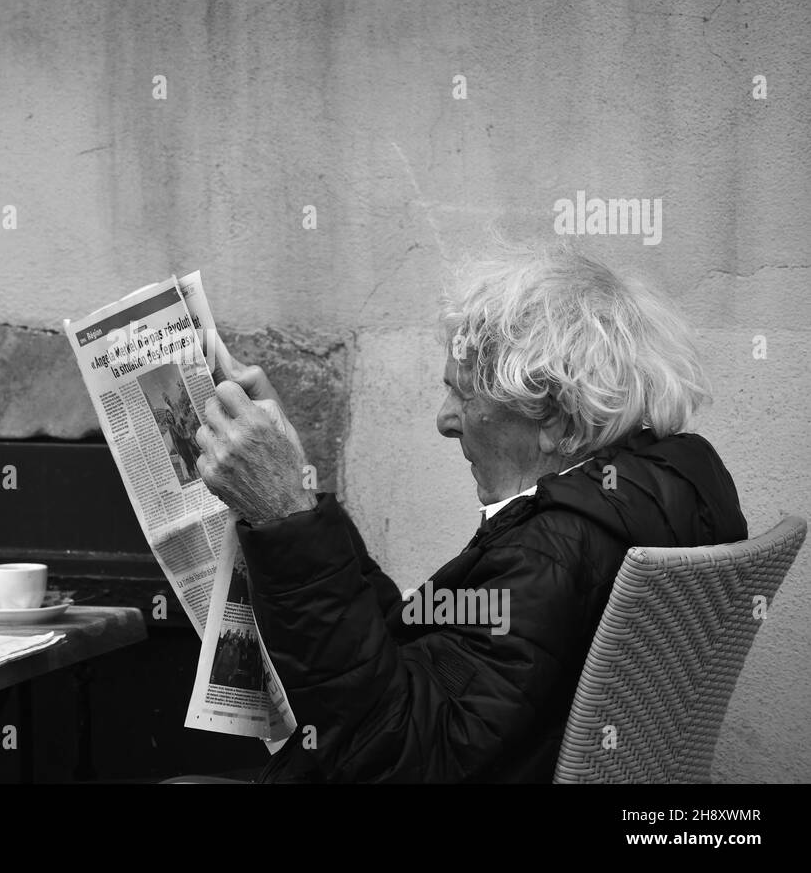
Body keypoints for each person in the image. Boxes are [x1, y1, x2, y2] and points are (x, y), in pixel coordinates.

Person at [194, 244, 748, 782]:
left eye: (465, 396)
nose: (445, 420)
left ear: (557, 423)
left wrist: (287, 518)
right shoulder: (645, 501)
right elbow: (413, 658)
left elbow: (396, 757)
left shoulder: (551, 552)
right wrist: (296, 489)